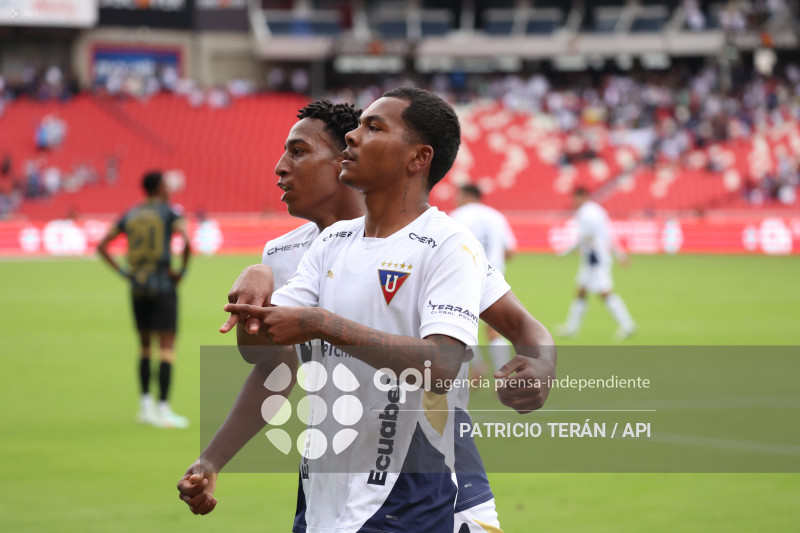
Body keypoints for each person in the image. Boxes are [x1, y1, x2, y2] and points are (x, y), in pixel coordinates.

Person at [177, 92, 554, 532]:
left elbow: (507, 330)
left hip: (430, 477)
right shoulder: (293, 252)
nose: (280, 168)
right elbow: (269, 364)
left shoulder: (441, 242)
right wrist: (255, 291)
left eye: (299, 153)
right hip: (331, 472)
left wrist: (543, 364)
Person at [97, 171, 192, 428]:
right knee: (167, 348)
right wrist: (180, 273)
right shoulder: (170, 213)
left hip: (137, 286)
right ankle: (164, 409)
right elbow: (186, 242)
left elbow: (102, 245)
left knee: (144, 346)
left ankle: (145, 406)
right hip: (162, 284)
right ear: (160, 187)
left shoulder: (132, 213)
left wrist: (124, 273)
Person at [450, 184, 518, 375]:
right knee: (494, 329)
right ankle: (502, 374)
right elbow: (511, 251)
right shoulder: (496, 216)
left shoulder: (457, 216)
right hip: (493, 279)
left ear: (465, 195)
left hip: (464, 277)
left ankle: (477, 365)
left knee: (461, 323)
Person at [556, 187, 636, 340]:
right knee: (581, 291)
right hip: (592, 258)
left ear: (582, 197)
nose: (573, 202)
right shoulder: (596, 210)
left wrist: (564, 252)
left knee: (604, 293)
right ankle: (572, 328)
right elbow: (608, 233)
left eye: (575, 198)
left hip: (596, 259)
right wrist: (620, 254)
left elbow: (585, 236)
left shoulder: (587, 213)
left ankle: (627, 325)